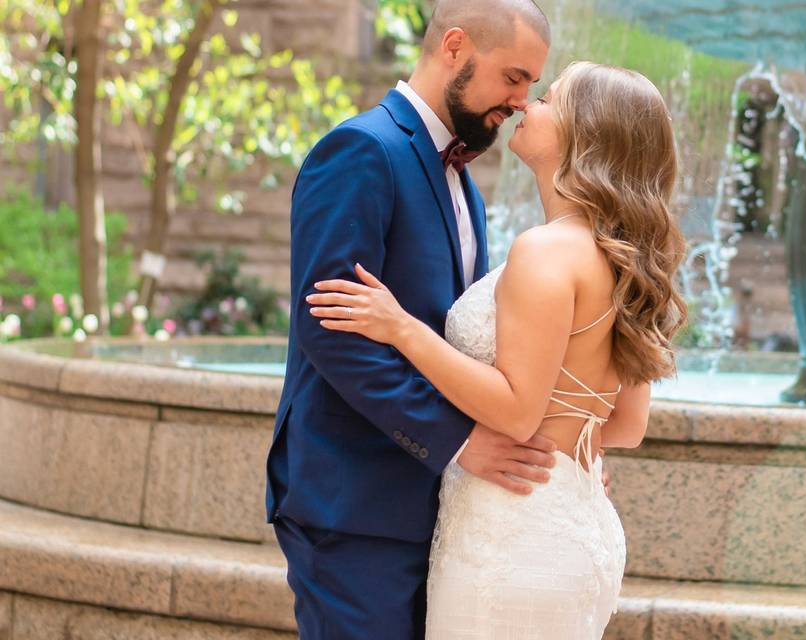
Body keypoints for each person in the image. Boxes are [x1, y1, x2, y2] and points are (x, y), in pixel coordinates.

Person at [308, 61, 688, 639]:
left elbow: (516, 411)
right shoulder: (627, 260)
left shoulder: (545, 251)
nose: (526, 104)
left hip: (512, 533)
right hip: (579, 524)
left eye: (549, 98)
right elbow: (627, 425)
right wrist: (563, 452)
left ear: (585, 132)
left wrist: (401, 328)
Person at [264, 1, 558, 638]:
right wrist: (458, 441)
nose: (520, 102)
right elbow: (331, 332)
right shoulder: (360, 150)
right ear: (455, 47)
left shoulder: (467, 190)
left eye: (532, 85)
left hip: (436, 509)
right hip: (354, 505)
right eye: (513, 77)